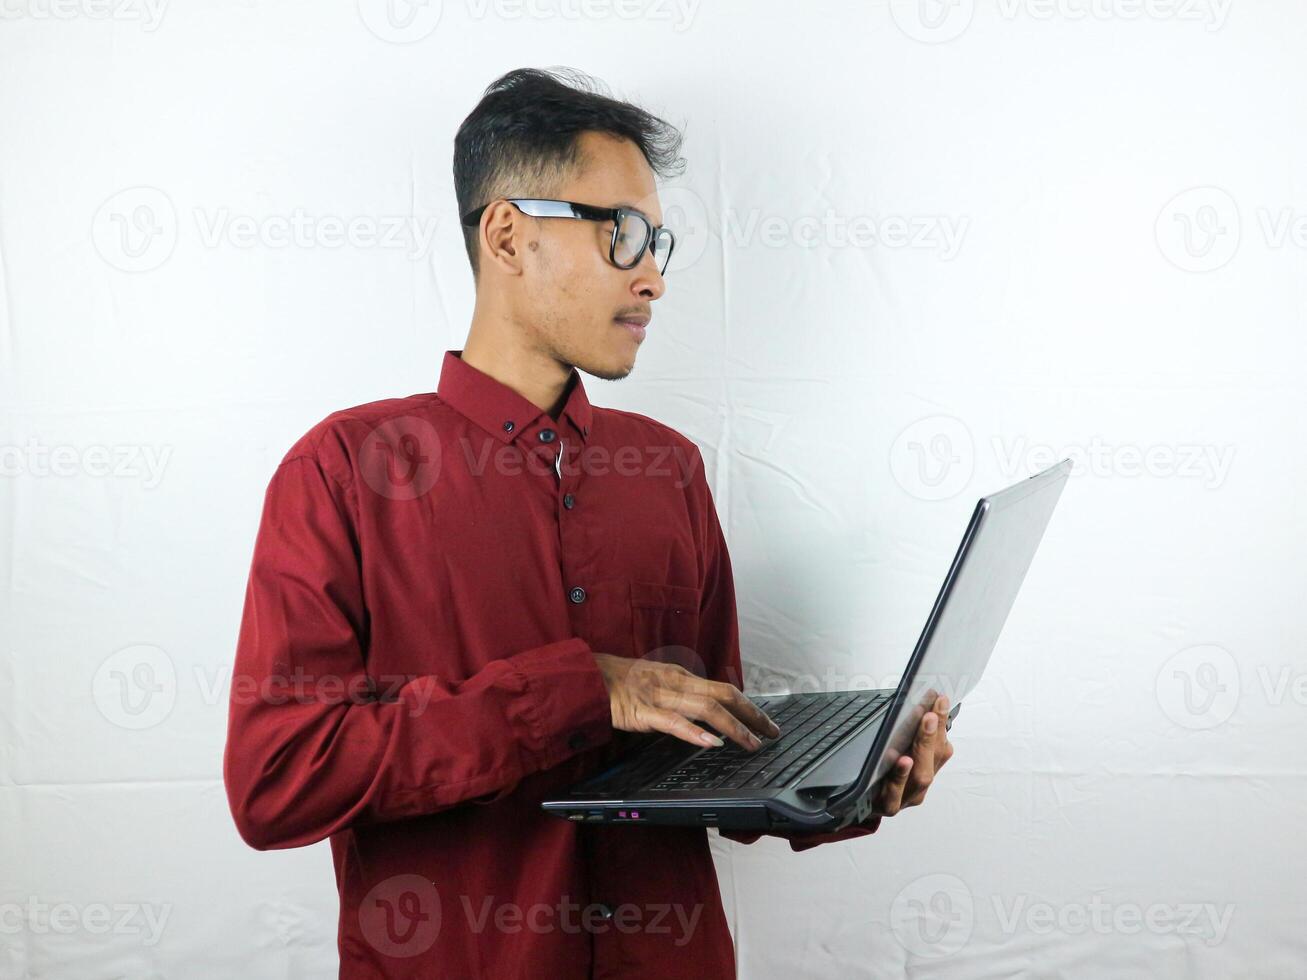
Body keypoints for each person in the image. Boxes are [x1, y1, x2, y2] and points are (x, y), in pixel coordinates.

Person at [223, 66, 953, 980]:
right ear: (507, 235)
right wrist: (577, 690)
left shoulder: (670, 470)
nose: (651, 277)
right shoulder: (343, 470)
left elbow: (715, 765)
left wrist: (849, 786)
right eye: (623, 235)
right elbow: (276, 781)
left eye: (659, 244)